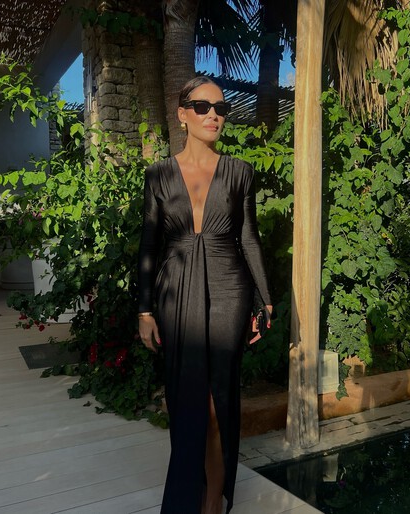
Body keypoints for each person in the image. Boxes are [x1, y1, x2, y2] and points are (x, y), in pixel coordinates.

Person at [137, 76, 272, 514]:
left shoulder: (240, 172)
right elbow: (149, 245)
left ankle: (214, 499)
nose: (213, 115)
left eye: (220, 108)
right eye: (202, 107)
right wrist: (144, 310)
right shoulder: (158, 175)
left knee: (218, 401)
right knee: (185, 401)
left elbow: (248, 238)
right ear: (182, 114)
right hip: (175, 291)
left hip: (230, 289)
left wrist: (265, 300)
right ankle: (189, 494)